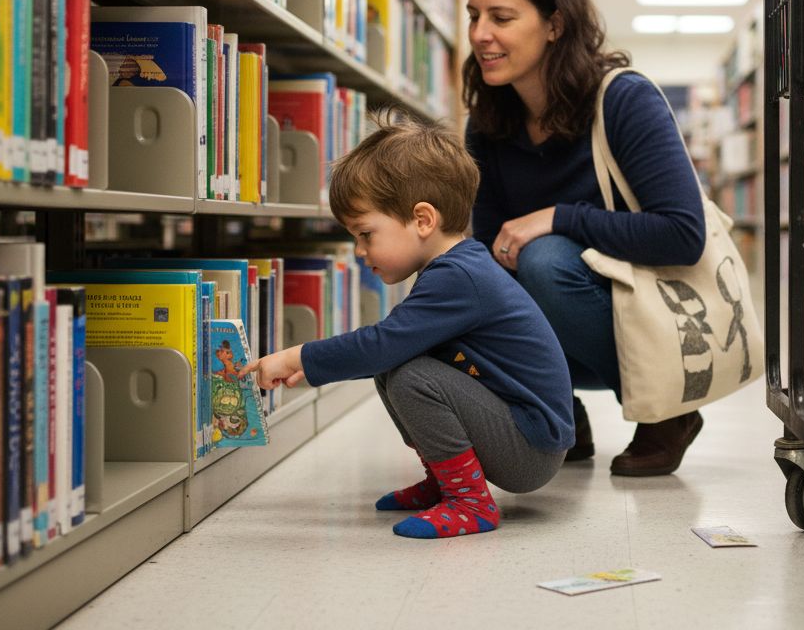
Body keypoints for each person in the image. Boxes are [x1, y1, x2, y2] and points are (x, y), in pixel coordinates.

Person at [244, 112, 574, 539]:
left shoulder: (458, 278)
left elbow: (382, 344)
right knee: (396, 366)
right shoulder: (456, 267)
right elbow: (387, 350)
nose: (360, 251)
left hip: (531, 449)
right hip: (522, 433)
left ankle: (469, 501)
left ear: (422, 220)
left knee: (410, 373)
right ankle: (446, 480)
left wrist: (298, 357)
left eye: (365, 234)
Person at [463, 0, 707, 477]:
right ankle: (556, 416)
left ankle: (670, 411)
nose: (481, 34)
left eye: (501, 17)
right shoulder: (489, 121)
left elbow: (685, 234)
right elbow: (487, 244)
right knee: (462, 279)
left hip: (645, 315)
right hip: (560, 329)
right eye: (474, 15)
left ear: (555, 23)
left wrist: (559, 217)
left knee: (545, 259)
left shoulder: (623, 99)